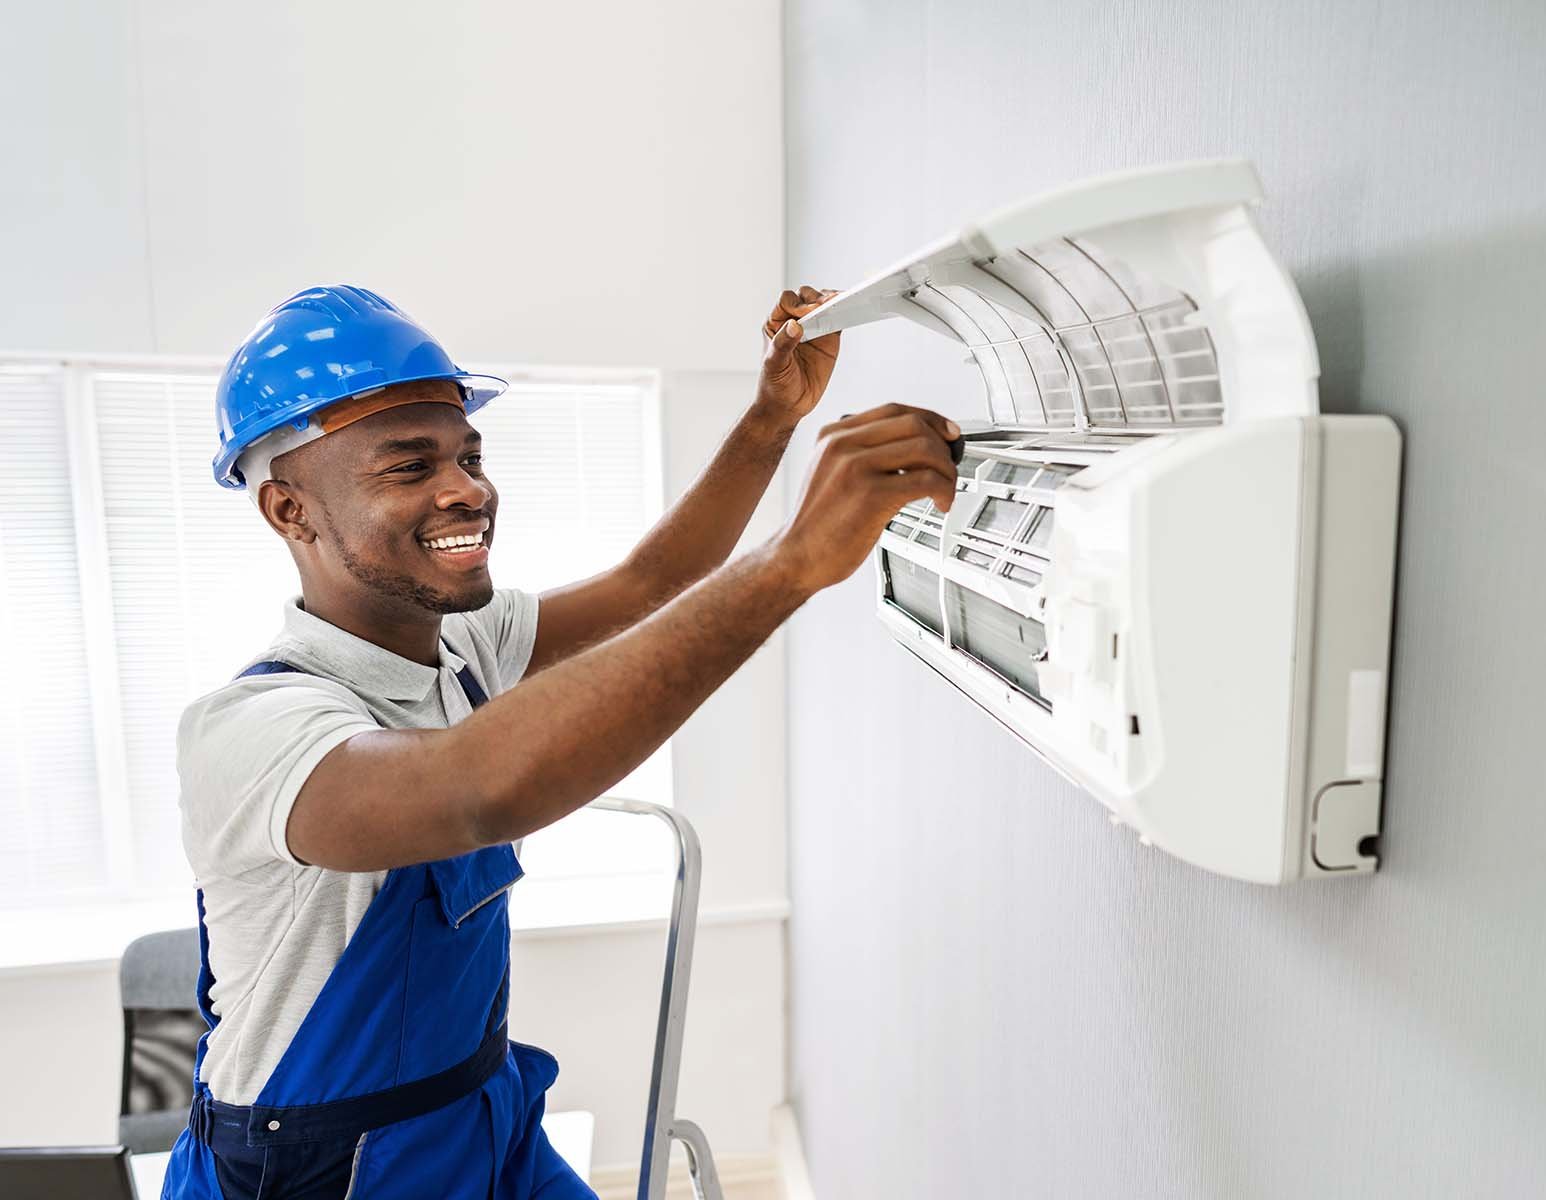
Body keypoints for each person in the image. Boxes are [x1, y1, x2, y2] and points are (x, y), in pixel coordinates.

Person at [162, 283, 960, 1199]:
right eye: (410, 467)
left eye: (469, 455)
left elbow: (653, 578)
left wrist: (772, 415)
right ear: (288, 511)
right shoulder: (253, 730)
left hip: (478, 1110)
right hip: (323, 1167)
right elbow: (474, 793)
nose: (468, 490)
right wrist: (788, 566)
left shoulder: (465, 643)